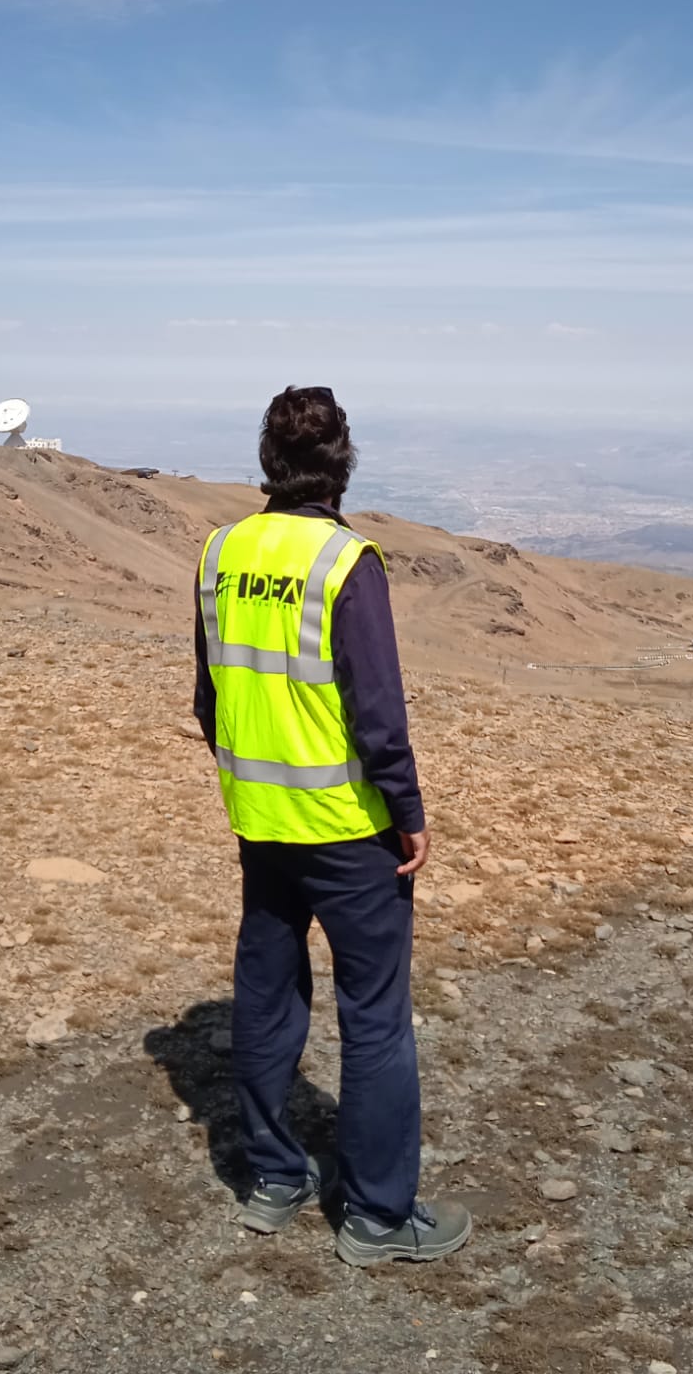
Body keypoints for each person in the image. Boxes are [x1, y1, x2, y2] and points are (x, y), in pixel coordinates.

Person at [193, 385, 472, 1266]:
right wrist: (409, 813)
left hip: (261, 821)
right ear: (342, 462)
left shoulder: (221, 551)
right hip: (350, 831)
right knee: (376, 1018)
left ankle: (274, 1178)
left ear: (268, 460)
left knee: (266, 996)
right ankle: (379, 1217)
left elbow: (209, 696)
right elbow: (378, 713)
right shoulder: (346, 562)